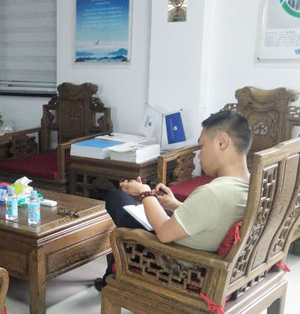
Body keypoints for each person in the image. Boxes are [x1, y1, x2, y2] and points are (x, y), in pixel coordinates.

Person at [95, 109, 252, 290]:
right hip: (204, 256)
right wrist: (175, 205)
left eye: (202, 146)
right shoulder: (251, 185)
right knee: (135, 206)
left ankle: (113, 277)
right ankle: (110, 274)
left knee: (117, 198)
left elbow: (163, 233)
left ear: (222, 142)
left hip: (176, 264)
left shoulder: (213, 193)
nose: (200, 155)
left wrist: (145, 193)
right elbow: (215, 217)